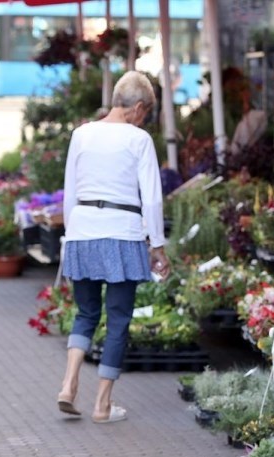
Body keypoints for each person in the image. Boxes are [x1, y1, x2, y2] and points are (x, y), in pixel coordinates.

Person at [57, 71, 168, 424]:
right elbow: (151, 198)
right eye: (147, 112)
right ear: (138, 107)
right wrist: (158, 246)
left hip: (83, 230)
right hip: (123, 233)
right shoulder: (139, 139)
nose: (145, 119)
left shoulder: (81, 134)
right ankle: (102, 406)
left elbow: (70, 191)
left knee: (86, 313)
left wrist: (69, 235)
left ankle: (68, 384)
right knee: (118, 319)